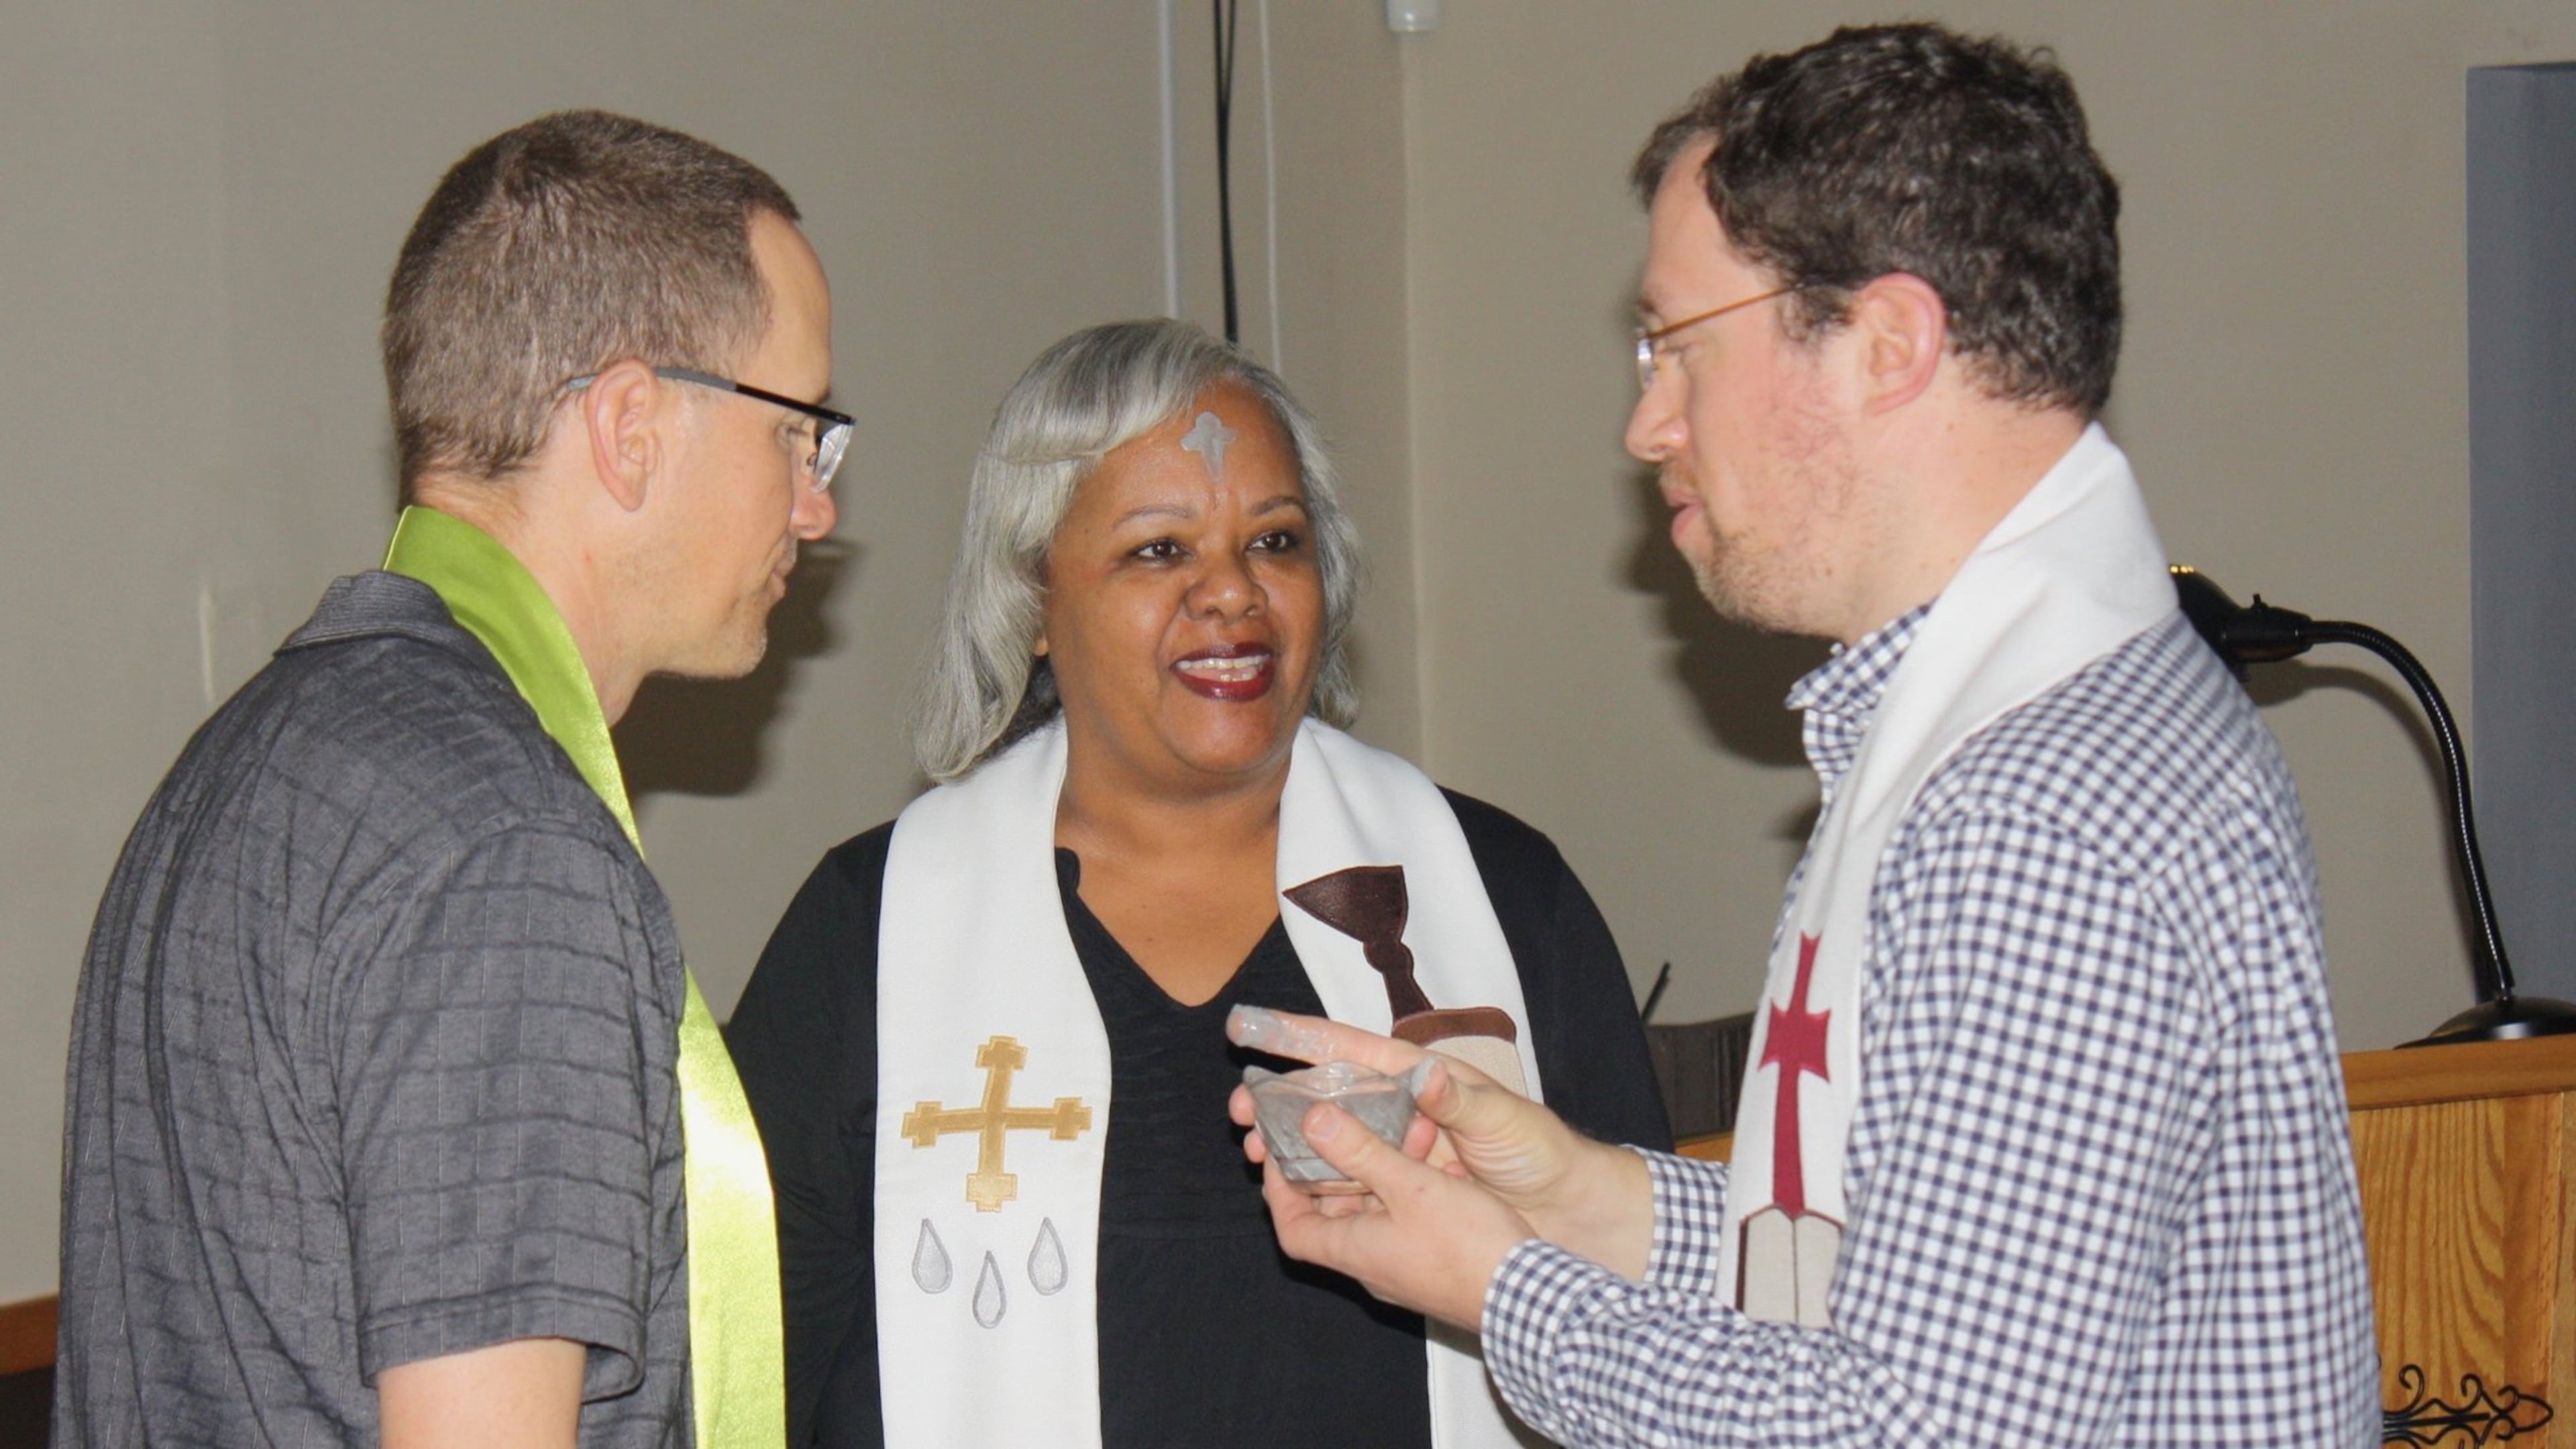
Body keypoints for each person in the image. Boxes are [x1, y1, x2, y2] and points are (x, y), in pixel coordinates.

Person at [1228, 23, 2379, 1448]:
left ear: (1888, 343)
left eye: (1675, 344)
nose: (1648, 423)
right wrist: (1574, 1192)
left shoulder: (2029, 810)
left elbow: (1918, 1428)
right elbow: (1912, 1272)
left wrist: (1499, 1286)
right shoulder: (2049, 713)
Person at [725, 318, 1670, 1449]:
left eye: (1275, 542)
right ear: (1031, 603)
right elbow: (751, 1367)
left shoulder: (1507, 899)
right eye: (1159, 551)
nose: (1233, 597)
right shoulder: (872, 927)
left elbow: (1659, 1320)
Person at [55, 111, 845, 1448]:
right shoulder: (507, 850)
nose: (818, 507)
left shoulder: (246, 763)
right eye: (798, 431)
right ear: (632, 425)